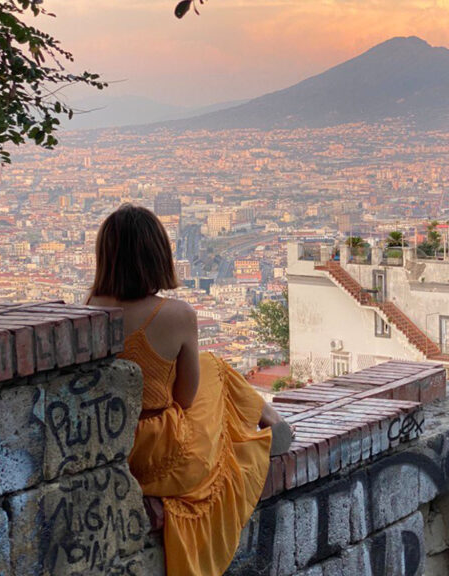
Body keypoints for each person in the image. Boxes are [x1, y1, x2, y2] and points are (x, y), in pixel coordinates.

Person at [87, 204, 293, 576]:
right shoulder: (177, 315)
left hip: (116, 450)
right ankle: (270, 420)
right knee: (213, 364)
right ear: (158, 255)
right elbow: (184, 399)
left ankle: (270, 420)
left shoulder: (90, 309)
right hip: (164, 455)